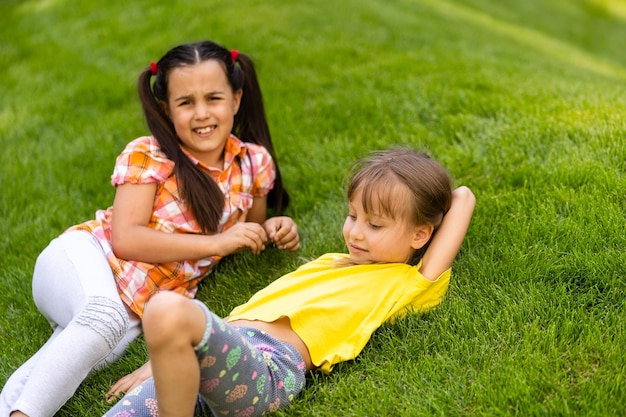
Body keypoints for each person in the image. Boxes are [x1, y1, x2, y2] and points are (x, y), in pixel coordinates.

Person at [0, 40, 300, 417]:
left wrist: (274, 226)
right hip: (86, 260)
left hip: (137, 306)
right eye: (186, 102)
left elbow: (250, 230)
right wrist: (217, 242)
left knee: (93, 348)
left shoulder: (253, 163)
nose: (202, 113)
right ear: (166, 108)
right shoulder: (150, 153)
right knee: (103, 318)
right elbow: (126, 239)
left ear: (236, 100)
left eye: (214, 98)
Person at [103, 148, 476, 417]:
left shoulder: (407, 282)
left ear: (420, 234)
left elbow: (463, 197)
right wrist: (163, 361)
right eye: (352, 216)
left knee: (165, 308)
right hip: (213, 355)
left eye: (375, 225)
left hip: (266, 367)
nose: (356, 233)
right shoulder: (331, 262)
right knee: (166, 320)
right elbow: (242, 319)